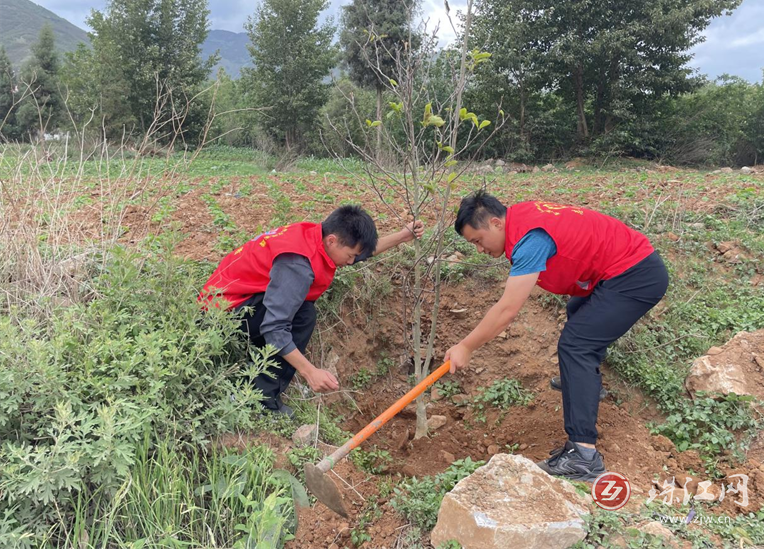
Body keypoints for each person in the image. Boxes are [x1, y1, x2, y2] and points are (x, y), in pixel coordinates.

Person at [444, 191, 668, 481]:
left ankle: (584, 455)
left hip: (635, 274)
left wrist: (466, 346)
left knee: (576, 345)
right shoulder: (521, 216)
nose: (479, 249)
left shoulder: (530, 241)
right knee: (580, 310)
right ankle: (583, 384)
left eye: (477, 240)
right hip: (620, 267)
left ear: (497, 223)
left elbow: (507, 310)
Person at [200, 205, 423, 416]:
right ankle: (259, 400)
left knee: (300, 311)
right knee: (302, 317)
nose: (352, 261)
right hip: (222, 315)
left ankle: (255, 372)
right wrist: (310, 372)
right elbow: (274, 327)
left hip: (237, 301)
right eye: (351, 256)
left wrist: (403, 236)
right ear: (333, 241)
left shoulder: (314, 235)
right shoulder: (297, 264)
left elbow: (359, 252)